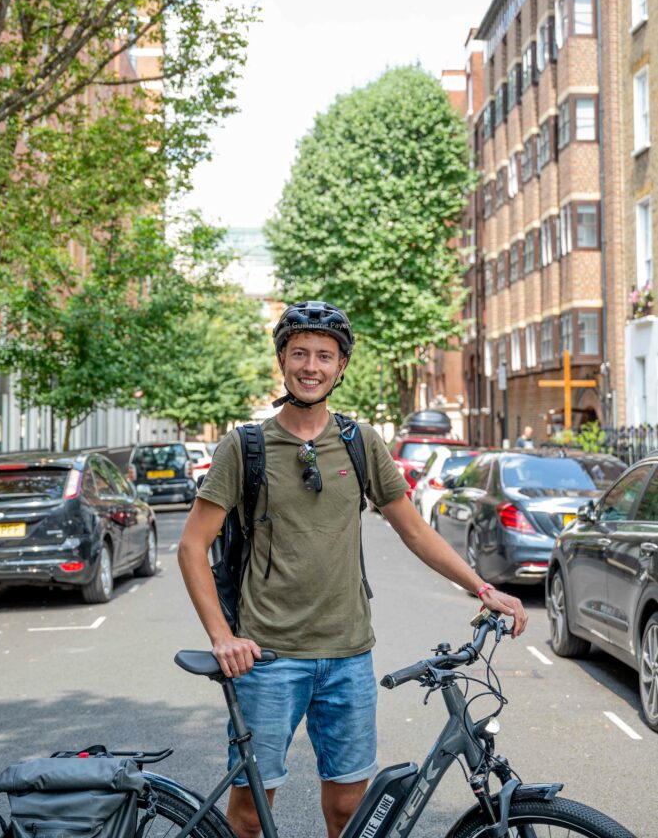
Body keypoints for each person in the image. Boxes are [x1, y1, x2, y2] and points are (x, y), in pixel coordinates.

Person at [178, 301, 527, 838]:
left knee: (348, 811)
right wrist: (222, 637)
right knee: (249, 815)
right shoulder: (243, 447)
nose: (311, 366)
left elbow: (414, 530)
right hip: (267, 658)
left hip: (347, 657)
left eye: (324, 355)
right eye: (299, 353)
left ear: (340, 367)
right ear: (282, 360)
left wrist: (483, 587)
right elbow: (191, 546)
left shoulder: (359, 442)